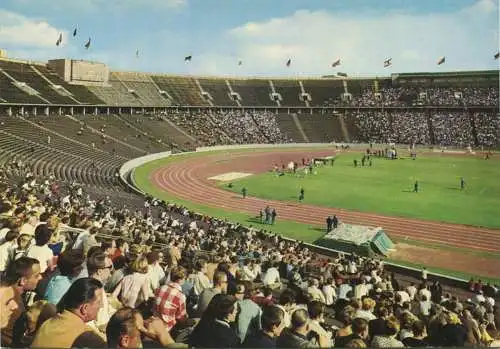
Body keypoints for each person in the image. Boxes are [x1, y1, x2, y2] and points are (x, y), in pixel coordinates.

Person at [31, 278, 106, 348]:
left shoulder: (49, 321)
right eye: (98, 302)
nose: (101, 305)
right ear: (84, 308)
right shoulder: (86, 335)